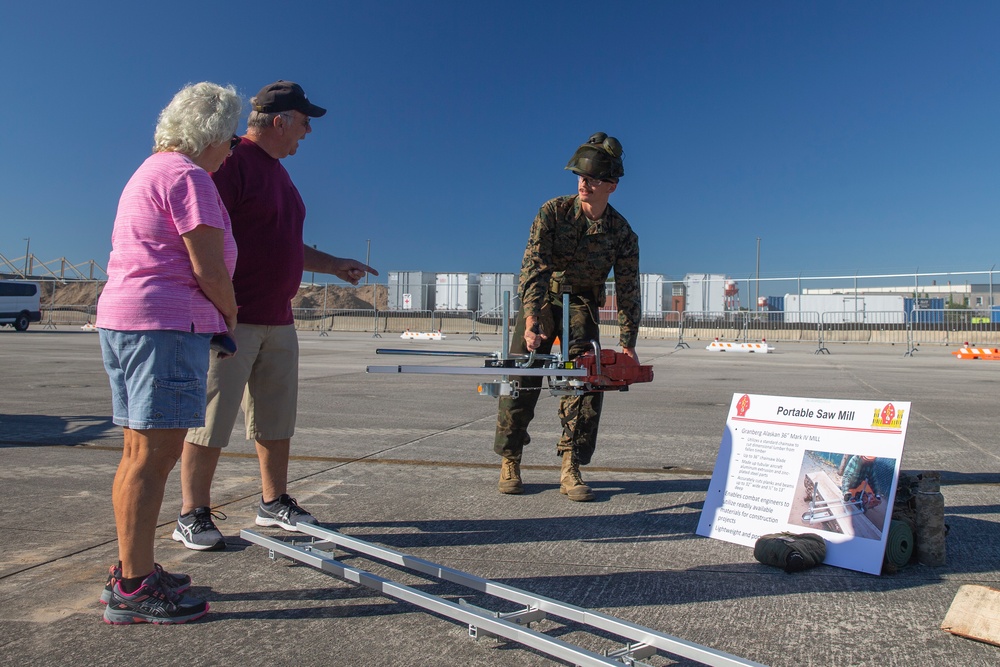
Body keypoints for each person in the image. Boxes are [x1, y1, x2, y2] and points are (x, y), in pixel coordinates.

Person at [172, 80, 377, 551]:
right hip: (231, 318)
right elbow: (198, 233)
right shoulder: (231, 163)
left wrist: (333, 264)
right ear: (280, 120)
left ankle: (273, 501)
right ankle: (192, 512)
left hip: (278, 320)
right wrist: (215, 307)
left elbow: (284, 244)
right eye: (304, 123)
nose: (307, 133)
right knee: (211, 419)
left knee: (276, 419)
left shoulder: (281, 175)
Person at [96, 82, 241, 623]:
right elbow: (207, 265)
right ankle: (134, 589)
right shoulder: (189, 176)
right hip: (165, 327)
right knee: (154, 458)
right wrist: (229, 316)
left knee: (138, 453)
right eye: (229, 140)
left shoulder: (149, 170)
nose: (230, 152)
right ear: (212, 136)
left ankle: (133, 568)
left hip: (128, 321)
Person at [493, 132, 640, 502]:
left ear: (612, 186)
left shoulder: (622, 234)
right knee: (522, 374)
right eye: (580, 177)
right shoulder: (553, 212)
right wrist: (531, 320)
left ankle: (571, 464)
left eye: (592, 179)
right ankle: (511, 458)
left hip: (582, 305)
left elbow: (627, 291)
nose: (583, 184)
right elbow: (534, 267)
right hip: (544, 297)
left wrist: (627, 344)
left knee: (585, 383)